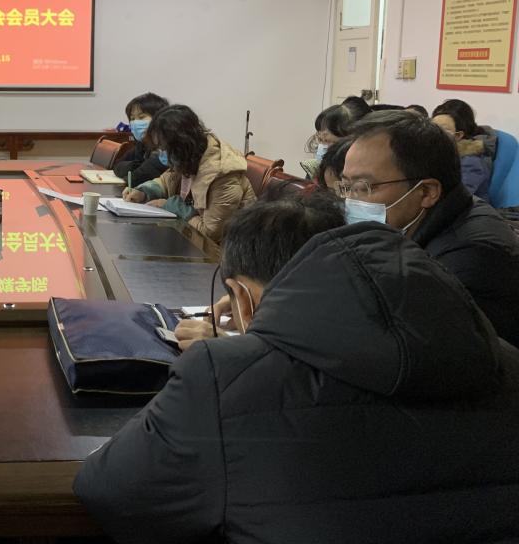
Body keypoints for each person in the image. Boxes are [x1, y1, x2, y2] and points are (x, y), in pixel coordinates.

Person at [74, 193, 519, 544]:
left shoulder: (220, 376)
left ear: (241, 298)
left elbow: (110, 492)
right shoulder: (503, 355)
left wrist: (242, 353)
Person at [342, 109, 519, 345]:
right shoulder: (426, 217)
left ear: (426, 192)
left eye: (363, 187)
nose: (350, 200)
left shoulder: (469, 259)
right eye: (346, 186)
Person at [123, 105, 255, 243]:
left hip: (227, 249)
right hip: (190, 241)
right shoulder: (188, 158)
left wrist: (174, 206)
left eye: (163, 148)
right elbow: (166, 181)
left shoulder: (222, 175)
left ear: (181, 144)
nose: (160, 153)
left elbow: (210, 234)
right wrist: (144, 192)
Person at [432, 98, 496, 200]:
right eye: (432, 127)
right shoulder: (434, 151)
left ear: (458, 135)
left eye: (442, 130)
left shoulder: (471, 162)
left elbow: (457, 199)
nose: (434, 134)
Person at [113, 91, 169, 187]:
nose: (135, 122)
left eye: (141, 117)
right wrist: (136, 166)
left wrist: (134, 170)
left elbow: (135, 179)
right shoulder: (142, 143)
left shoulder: (165, 146)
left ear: (159, 118)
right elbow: (117, 166)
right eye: (132, 118)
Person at [301, 102, 363, 178]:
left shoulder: (356, 171)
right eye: (321, 140)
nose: (323, 146)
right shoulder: (316, 169)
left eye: (328, 141)